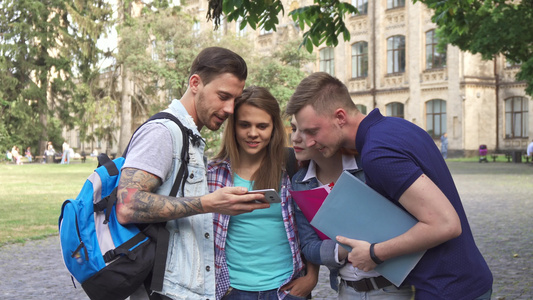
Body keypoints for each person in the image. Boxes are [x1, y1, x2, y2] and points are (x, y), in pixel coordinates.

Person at [285, 72, 493, 300]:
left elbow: (446, 224)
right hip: (461, 282)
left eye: (312, 131)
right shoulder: (396, 127)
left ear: (340, 117)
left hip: (446, 288)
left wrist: (374, 253)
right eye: (300, 131)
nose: (306, 141)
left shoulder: (377, 154)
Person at [115, 47, 270, 300]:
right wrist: (209, 203)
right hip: (165, 291)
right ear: (195, 83)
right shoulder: (163, 132)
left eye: (234, 100)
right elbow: (127, 204)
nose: (230, 109)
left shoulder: (190, 138)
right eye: (223, 96)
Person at [207, 86, 318, 300]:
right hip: (232, 290)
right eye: (245, 125)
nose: (253, 133)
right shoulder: (212, 174)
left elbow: (311, 223)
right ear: (233, 127)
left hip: (285, 288)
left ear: (274, 128)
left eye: (262, 126)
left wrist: (312, 276)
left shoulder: (292, 168)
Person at [290, 116, 413, 299]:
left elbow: (407, 224)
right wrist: (347, 247)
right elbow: (309, 247)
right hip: (347, 289)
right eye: (293, 129)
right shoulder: (300, 182)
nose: (295, 138)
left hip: (393, 286)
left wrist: (372, 247)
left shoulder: (369, 164)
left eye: (306, 130)